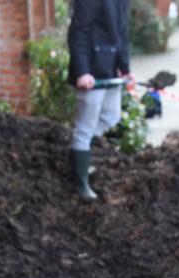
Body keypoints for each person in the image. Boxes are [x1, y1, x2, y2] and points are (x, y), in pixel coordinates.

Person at [67, 0, 133, 201]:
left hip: (110, 68)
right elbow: (79, 31)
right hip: (91, 72)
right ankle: (80, 183)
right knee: (85, 127)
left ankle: (79, 154)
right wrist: (82, 71)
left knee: (111, 117)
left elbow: (121, 33)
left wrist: (126, 68)